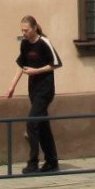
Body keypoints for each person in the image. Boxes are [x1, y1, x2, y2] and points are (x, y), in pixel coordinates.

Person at [12, 16, 62, 174]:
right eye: (22, 30)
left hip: (45, 90)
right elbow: (21, 65)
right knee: (42, 125)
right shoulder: (25, 44)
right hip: (33, 90)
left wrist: (36, 71)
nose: (24, 33)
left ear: (34, 28)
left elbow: (56, 63)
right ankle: (52, 162)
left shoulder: (44, 42)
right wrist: (11, 87)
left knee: (32, 123)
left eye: (26, 30)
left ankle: (33, 163)